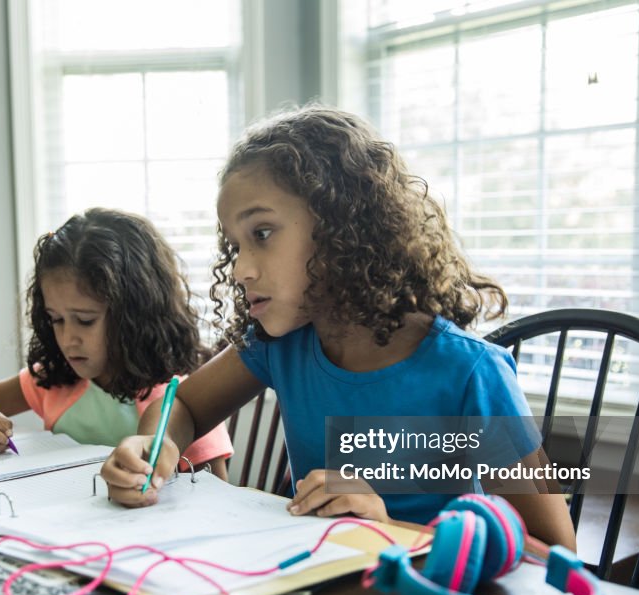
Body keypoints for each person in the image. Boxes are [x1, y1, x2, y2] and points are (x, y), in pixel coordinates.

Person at [100, 105, 576, 549]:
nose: (241, 268)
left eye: (261, 234)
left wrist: (386, 527)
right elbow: (181, 401)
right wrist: (156, 442)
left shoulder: (470, 374)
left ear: (344, 226)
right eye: (235, 245)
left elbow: (553, 552)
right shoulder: (280, 345)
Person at [0, 208, 232, 478]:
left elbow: (218, 496)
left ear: (136, 314)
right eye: (56, 319)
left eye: (85, 320)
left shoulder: (179, 400)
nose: (67, 339)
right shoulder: (54, 381)